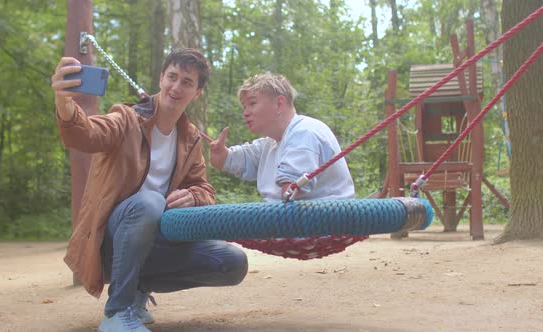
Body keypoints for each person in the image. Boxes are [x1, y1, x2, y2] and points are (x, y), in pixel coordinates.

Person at [51, 49, 248, 332]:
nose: (176, 87)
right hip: (107, 246)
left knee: (231, 262)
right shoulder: (127, 118)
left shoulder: (190, 138)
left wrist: (193, 196)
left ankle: (138, 290)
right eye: (172, 77)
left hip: (152, 246)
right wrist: (64, 101)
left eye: (187, 82)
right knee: (149, 203)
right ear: (161, 78)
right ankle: (116, 313)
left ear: (197, 92)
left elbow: (204, 189)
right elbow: (85, 133)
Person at [209, 73, 355, 202]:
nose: (245, 113)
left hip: (326, 229)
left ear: (279, 103)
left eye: (252, 103)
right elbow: (235, 159)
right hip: (296, 228)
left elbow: (290, 194)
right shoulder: (269, 144)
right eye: (244, 107)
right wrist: (221, 154)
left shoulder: (304, 132)